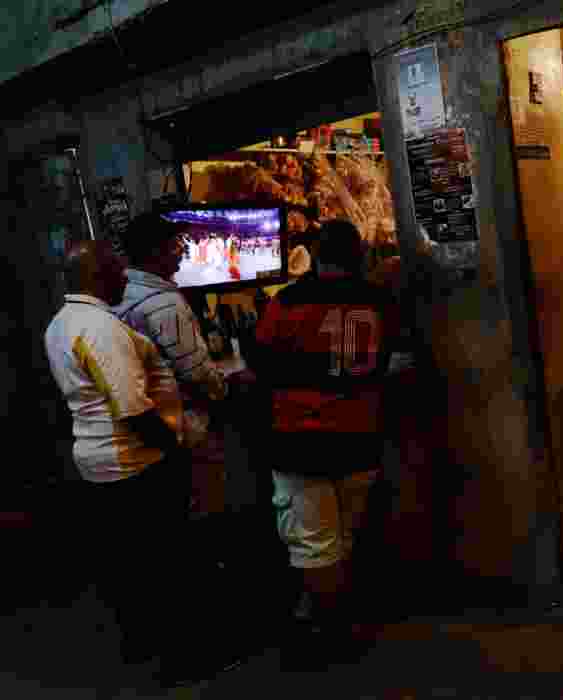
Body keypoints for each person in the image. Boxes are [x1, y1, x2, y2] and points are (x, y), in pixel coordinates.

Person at [44, 240, 242, 687]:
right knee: (167, 564)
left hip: (102, 460)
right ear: (97, 276)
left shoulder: (61, 322)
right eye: (118, 271)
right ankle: (187, 659)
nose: (126, 279)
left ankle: (142, 644)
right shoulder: (99, 328)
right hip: (133, 461)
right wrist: (174, 450)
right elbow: (133, 409)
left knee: (130, 562)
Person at [249, 220, 403, 671]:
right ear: (359, 256)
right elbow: (391, 355)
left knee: (316, 543)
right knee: (344, 536)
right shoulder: (379, 302)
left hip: (302, 443)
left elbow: (262, 362)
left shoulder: (289, 302)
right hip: (361, 437)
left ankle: (333, 633)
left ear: (316, 256)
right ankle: (330, 614)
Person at [114, 213, 232, 515]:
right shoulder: (163, 302)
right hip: (185, 419)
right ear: (155, 253)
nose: (181, 250)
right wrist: (224, 391)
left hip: (156, 419)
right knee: (205, 497)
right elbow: (195, 372)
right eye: (174, 244)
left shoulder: (125, 292)